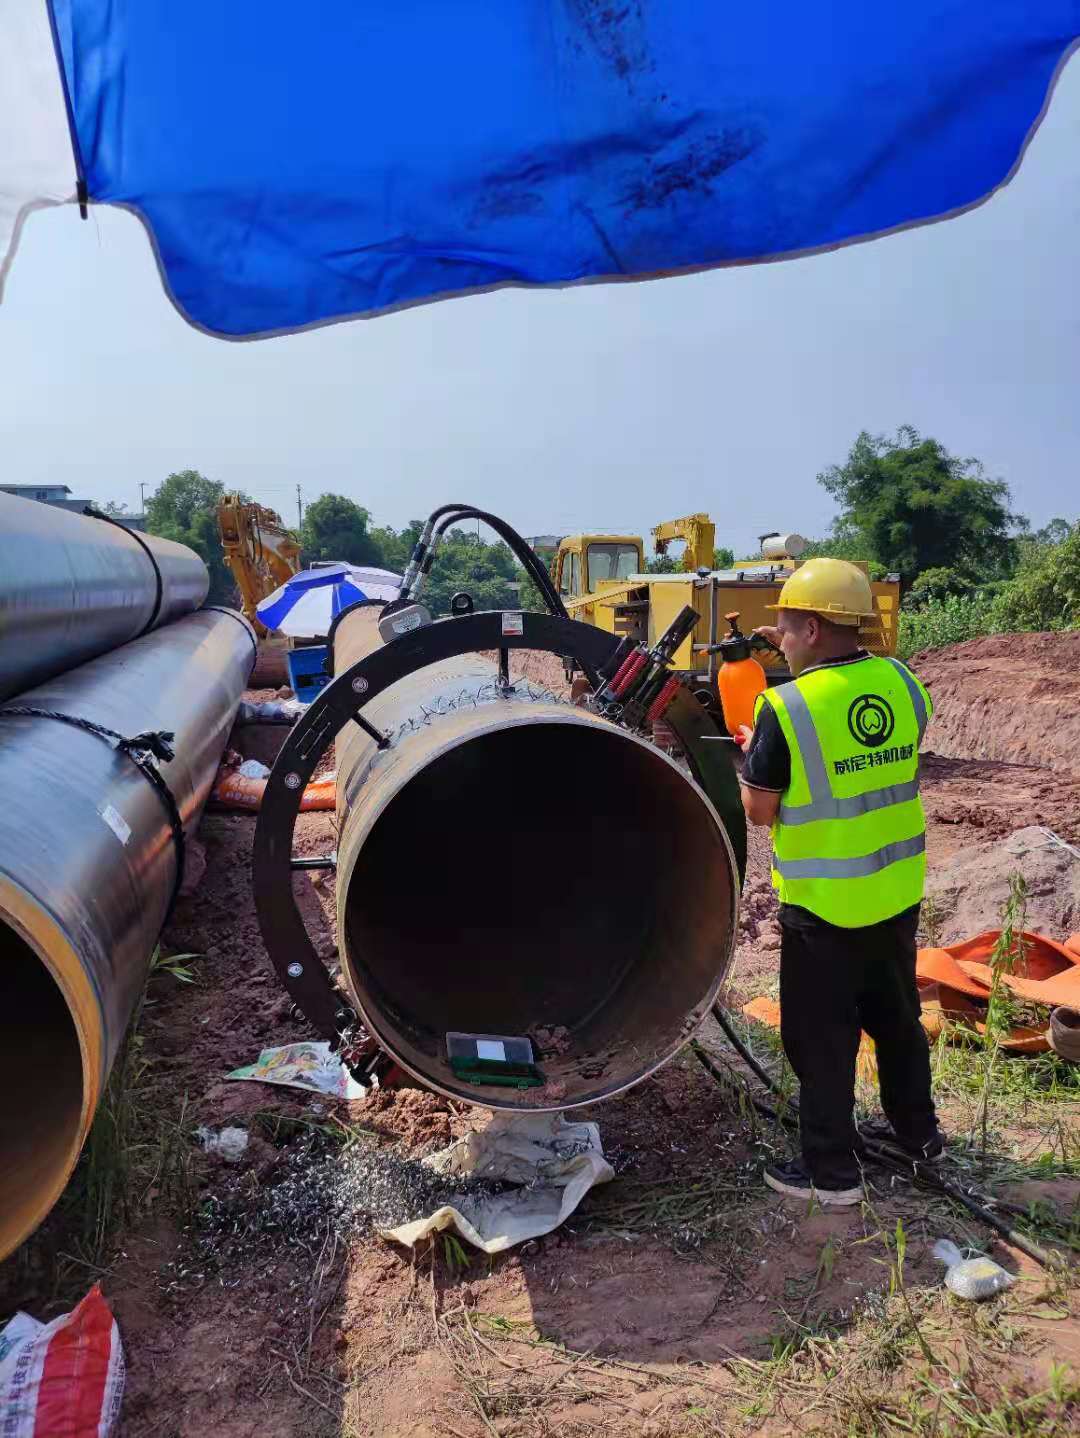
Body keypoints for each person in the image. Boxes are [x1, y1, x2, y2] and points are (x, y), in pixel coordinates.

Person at [737, 557, 943, 1206]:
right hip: (895, 892)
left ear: (817, 628)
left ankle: (832, 1174)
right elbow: (881, 755)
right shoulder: (904, 682)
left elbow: (760, 809)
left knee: (820, 1039)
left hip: (824, 907)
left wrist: (757, 749)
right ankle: (921, 1137)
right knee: (897, 1019)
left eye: (788, 628)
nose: (782, 640)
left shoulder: (786, 708)